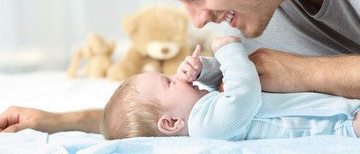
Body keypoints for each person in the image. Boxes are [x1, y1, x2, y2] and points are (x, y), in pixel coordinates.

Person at [1, 0, 359, 134]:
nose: (199, 19)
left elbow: (289, 78)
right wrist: (68, 121)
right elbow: (189, 117)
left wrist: (307, 73)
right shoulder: (249, 18)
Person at [101, 36, 360, 140]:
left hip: (341, 109)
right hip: (340, 125)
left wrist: (203, 70)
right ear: (171, 123)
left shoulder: (208, 111)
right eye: (169, 83)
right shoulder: (206, 128)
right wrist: (228, 50)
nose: (177, 78)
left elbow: (225, 85)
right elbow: (243, 93)